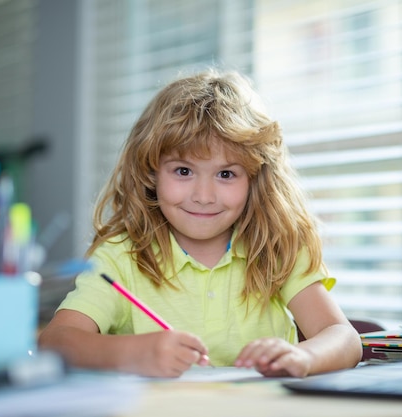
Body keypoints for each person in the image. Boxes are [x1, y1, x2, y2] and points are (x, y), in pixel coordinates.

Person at [38, 69, 362, 378]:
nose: (204, 196)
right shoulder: (121, 256)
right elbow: (54, 342)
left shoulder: (276, 247)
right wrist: (133, 352)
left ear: (254, 178)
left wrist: (303, 356)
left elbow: (343, 338)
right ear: (151, 172)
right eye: (183, 171)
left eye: (226, 174)